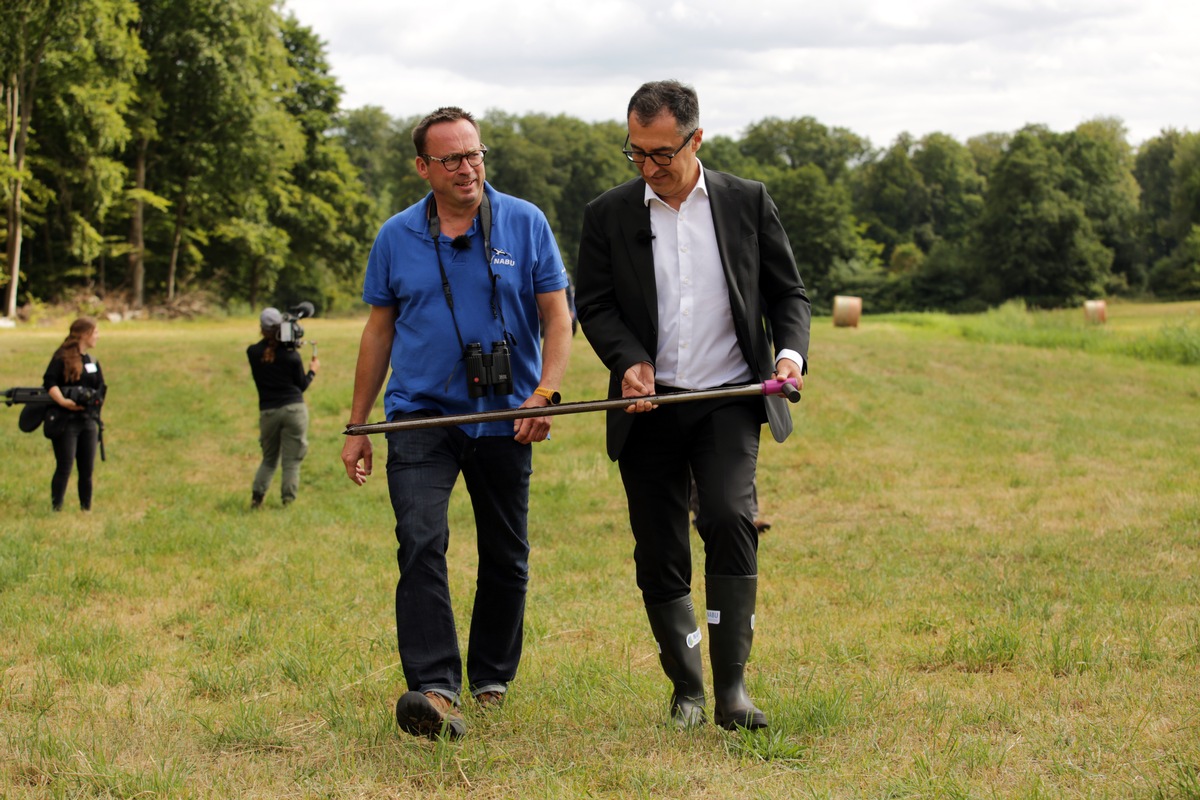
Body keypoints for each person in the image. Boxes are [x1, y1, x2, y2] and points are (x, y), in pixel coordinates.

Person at [575, 80, 811, 731]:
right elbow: (593, 304)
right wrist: (629, 359)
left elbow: (788, 294)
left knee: (731, 517)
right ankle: (688, 689)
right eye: (637, 153)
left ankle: (733, 690)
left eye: (662, 154)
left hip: (729, 399)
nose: (649, 168)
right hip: (647, 410)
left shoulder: (746, 201)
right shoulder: (608, 214)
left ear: (695, 139)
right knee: (658, 549)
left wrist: (790, 356)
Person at [340, 106, 572, 741]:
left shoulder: (525, 222)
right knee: (420, 540)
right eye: (452, 159)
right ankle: (435, 688)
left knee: (506, 552)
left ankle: (492, 679)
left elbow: (558, 316)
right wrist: (357, 425)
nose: (468, 168)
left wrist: (545, 392)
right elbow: (378, 330)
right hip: (418, 416)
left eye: (475, 155)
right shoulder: (395, 235)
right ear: (424, 167)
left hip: (505, 416)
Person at [247, 308, 319, 508]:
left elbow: (268, 353)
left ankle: (257, 498)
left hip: (268, 412)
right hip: (295, 411)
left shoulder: (253, 353)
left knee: (269, 459)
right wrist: (312, 371)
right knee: (292, 461)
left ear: (261, 329)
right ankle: (288, 501)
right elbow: (302, 385)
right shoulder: (292, 357)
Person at [42, 317, 107, 512]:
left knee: (87, 469)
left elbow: (100, 388)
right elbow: (49, 382)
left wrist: (95, 403)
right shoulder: (61, 357)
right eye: (95, 332)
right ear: (84, 334)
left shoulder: (92, 361)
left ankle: (85, 508)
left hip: (88, 421)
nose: (98, 336)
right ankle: (56, 508)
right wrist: (63, 401)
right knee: (65, 466)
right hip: (66, 420)